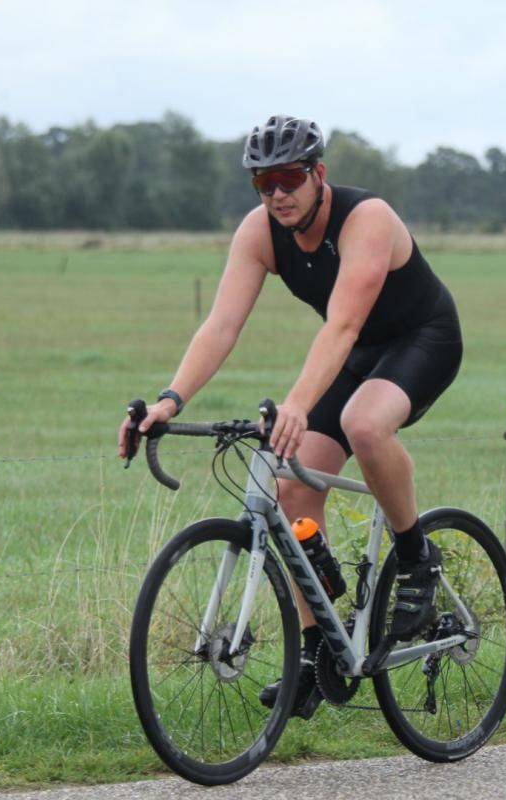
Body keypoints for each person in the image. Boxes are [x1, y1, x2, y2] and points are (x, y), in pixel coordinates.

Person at [117, 114, 463, 718]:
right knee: (292, 484)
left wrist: (299, 404)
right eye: (262, 183)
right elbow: (221, 326)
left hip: (422, 339)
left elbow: (343, 323)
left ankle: (416, 557)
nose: (276, 194)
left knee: (363, 422)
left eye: (287, 178)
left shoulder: (367, 219)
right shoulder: (259, 234)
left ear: (317, 174)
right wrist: (170, 400)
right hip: (357, 354)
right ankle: (317, 653)